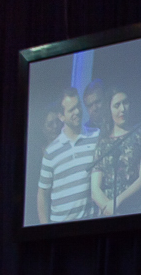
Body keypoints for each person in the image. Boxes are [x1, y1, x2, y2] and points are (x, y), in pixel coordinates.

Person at [37, 87, 99, 223]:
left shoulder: (96, 136)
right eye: (71, 110)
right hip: (60, 229)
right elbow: (43, 193)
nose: (77, 112)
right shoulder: (51, 151)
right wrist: (45, 228)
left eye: (78, 106)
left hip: (91, 224)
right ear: (61, 116)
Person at [90, 89, 141, 216]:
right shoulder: (103, 142)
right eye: (117, 105)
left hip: (134, 209)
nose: (122, 109)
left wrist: (118, 201)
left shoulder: (139, 134)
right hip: (108, 211)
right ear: (109, 110)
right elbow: (95, 189)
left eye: (125, 103)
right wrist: (109, 208)